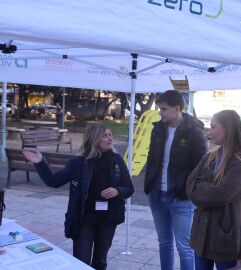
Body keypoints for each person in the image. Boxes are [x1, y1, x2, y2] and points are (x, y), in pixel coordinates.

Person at [22, 125, 134, 270]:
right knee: (81, 262)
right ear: (94, 139)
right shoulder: (78, 163)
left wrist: (117, 191)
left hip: (108, 219)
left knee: (100, 261)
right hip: (84, 219)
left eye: (110, 134)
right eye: (105, 135)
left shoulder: (116, 160)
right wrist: (40, 163)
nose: (110, 138)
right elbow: (54, 181)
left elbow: (129, 188)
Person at [144, 90, 208, 270]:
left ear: (177, 108)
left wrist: (185, 190)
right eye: (159, 108)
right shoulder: (158, 128)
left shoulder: (194, 131)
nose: (160, 112)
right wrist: (150, 183)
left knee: (184, 247)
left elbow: (200, 167)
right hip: (157, 195)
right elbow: (151, 158)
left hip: (181, 198)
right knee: (164, 243)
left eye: (163, 109)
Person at [186, 110, 241, 270]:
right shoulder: (211, 156)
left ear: (228, 129)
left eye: (213, 127)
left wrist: (201, 190)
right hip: (202, 235)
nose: (209, 131)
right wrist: (205, 191)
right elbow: (190, 184)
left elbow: (221, 195)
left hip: (225, 238)